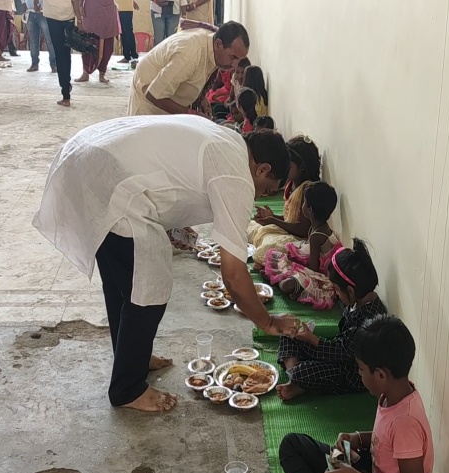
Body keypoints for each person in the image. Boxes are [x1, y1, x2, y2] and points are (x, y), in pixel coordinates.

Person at [33, 116, 301, 413]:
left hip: (87, 157)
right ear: (262, 168)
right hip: (109, 179)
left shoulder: (226, 139)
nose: (263, 194)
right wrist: (267, 321)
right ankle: (127, 389)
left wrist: (177, 227)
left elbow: (172, 180)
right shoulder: (237, 174)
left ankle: (132, 357)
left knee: (124, 282)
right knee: (149, 289)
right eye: (268, 187)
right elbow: (234, 276)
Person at [279, 315, 435, 473]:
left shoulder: (405, 423)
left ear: (381, 375)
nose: (359, 373)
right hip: (370, 468)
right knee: (292, 444)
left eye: (361, 369)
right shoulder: (394, 393)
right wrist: (358, 438)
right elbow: (386, 440)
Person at [275, 238, 388, 401]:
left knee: (309, 370)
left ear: (350, 290)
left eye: (336, 289)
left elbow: (342, 352)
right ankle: (295, 379)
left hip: (350, 372)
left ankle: (297, 380)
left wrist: (312, 339)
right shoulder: (357, 300)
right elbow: (338, 342)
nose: (335, 293)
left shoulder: (369, 320)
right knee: (288, 333)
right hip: (336, 350)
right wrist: (309, 338)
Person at [127, 21, 249, 116]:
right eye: (233, 57)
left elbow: (196, 76)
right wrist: (191, 114)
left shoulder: (212, 47)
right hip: (148, 101)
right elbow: (153, 95)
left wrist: (200, 98)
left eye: (239, 60)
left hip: (165, 99)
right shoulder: (190, 54)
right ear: (218, 44)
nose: (234, 65)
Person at [264, 181, 342, 310]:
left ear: (310, 210)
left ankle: (280, 280)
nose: (302, 206)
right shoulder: (316, 227)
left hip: (322, 280)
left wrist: (294, 267)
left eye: (304, 203)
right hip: (314, 271)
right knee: (277, 257)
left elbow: (313, 269)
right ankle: (279, 276)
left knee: (287, 284)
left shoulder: (317, 236)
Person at [248, 134, 322, 267]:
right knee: (250, 225)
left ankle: (265, 259)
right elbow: (291, 218)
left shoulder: (307, 189)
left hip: (299, 240)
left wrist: (273, 220)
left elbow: (303, 230)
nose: (284, 170)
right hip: (287, 231)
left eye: (289, 166)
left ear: (302, 166)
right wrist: (272, 216)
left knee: (269, 244)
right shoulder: (291, 184)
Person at [43, 0, 82, 106]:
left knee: (60, 54)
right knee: (65, 53)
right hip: (68, 16)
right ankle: (66, 88)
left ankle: (65, 91)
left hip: (53, 15)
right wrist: (79, 18)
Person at [73, 0, 120, 83]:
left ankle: (102, 73)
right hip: (91, 9)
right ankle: (85, 72)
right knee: (88, 42)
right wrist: (80, 6)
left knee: (107, 45)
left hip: (108, 10)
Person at [23, 0, 56, 72]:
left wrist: (36, 3)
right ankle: (34, 64)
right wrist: (25, 11)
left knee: (49, 40)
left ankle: (54, 64)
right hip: (30, 12)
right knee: (33, 41)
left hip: (44, 12)